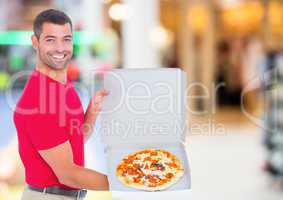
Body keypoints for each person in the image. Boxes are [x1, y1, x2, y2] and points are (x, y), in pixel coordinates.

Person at [13, 9, 109, 200]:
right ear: (35, 42)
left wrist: (92, 112)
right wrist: (129, 181)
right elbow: (68, 175)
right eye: (50, 40)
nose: (60, 48)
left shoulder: (63, 86)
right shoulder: (39, 101)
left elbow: (75, 141)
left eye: (66, 39)